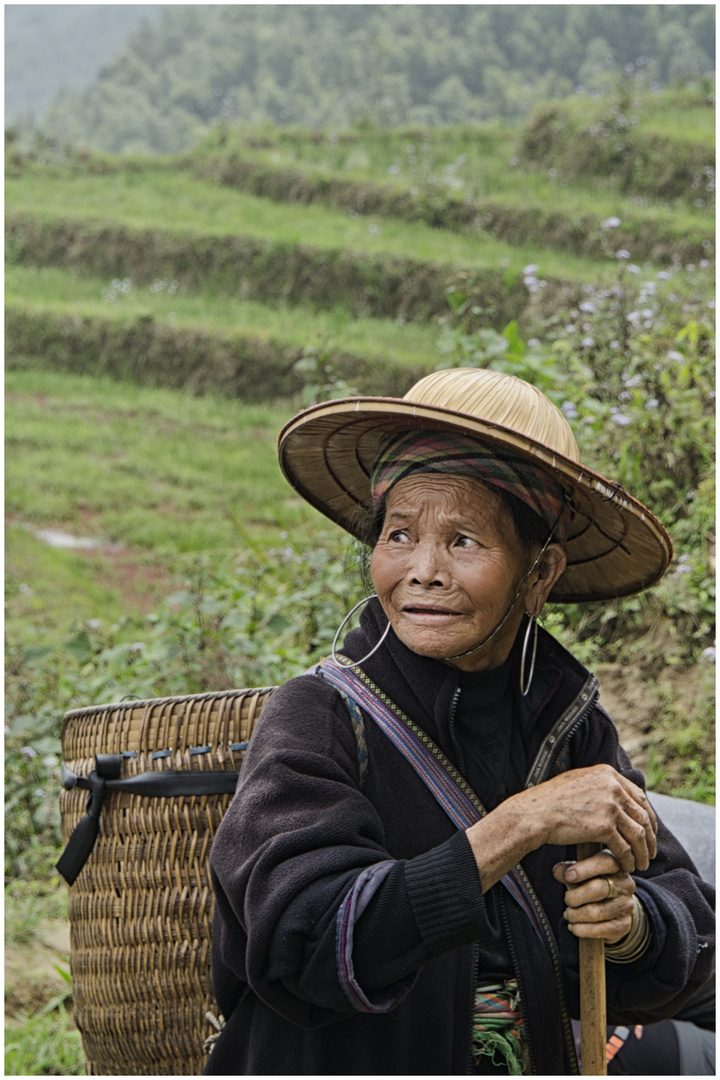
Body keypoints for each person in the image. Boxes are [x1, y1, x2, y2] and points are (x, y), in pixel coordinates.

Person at [206, 368, 714, 1075]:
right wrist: (518, 826)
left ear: (538, 576)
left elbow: (692, 934)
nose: (423, 570)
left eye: (464, 541)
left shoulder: (568, 728)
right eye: (400, 534)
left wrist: (629, 927)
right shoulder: (321, 716)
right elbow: (305, 939)